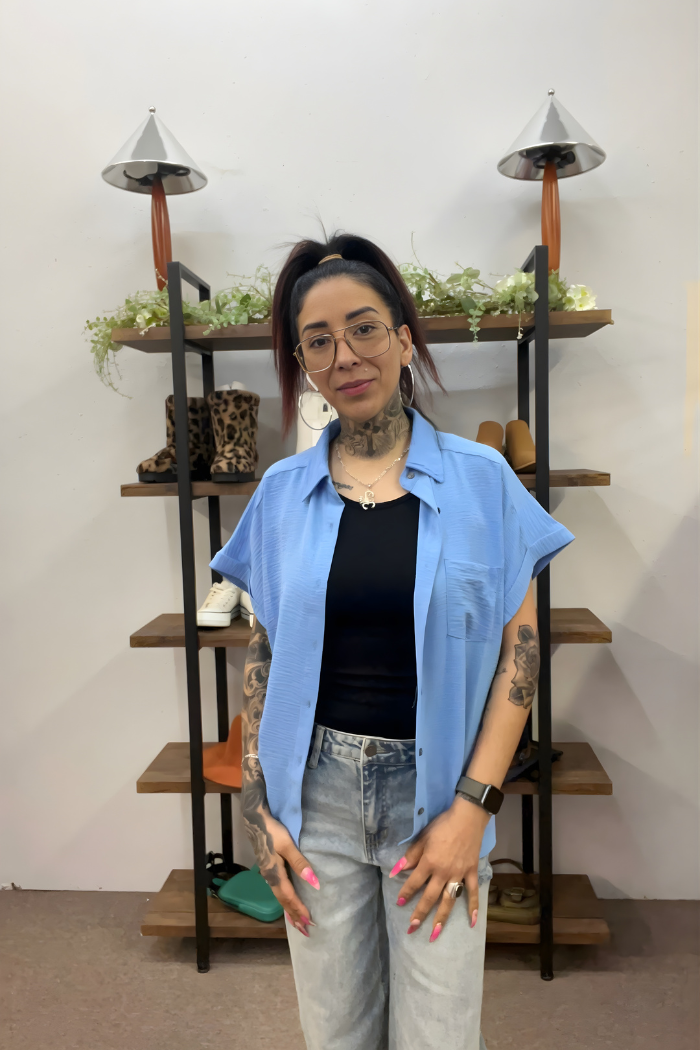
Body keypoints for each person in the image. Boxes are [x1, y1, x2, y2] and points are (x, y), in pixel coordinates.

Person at [211, 233, 574, 1050]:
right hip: (317, 798)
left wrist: (471, 812)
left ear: (405, 340)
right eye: (318, 340)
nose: (345, 355)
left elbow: (522, 651)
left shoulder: (483, 480)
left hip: (439, 792)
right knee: (336, 1034)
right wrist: (257, 810)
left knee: (438, 1037)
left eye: (365, 327)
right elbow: (262, 651)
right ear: (304, 362)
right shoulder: (280, 493)